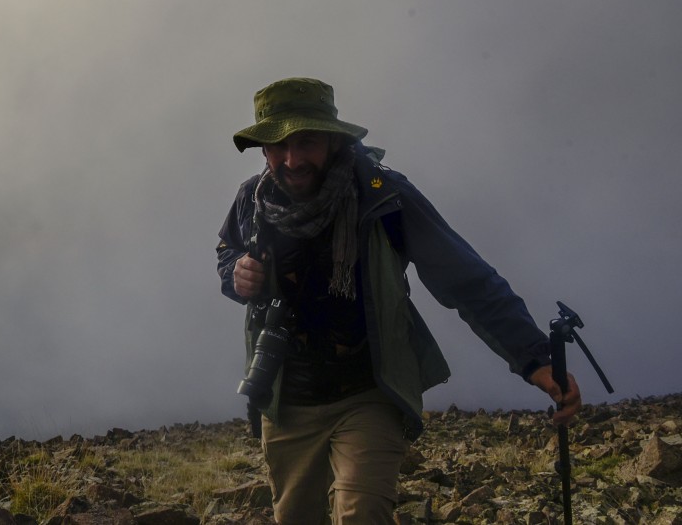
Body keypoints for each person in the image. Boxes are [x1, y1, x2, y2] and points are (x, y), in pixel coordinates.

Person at [215, 77, 581, 524]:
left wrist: (533, 358)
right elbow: (227, 252)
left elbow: (467, 280)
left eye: (306, 142)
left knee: (362, 512)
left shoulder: (383, 197)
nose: (292, 159)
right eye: (277, 146)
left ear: (332, 140)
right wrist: (236, 274)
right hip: (286, 401)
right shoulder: (252, 201)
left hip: (368, 392)